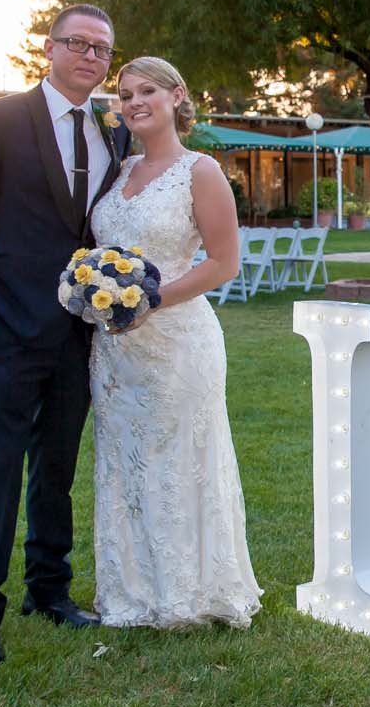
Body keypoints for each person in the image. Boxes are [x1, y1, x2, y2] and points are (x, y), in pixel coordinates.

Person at [0, 4, 127, 667]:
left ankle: (50, 590)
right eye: (77, 43)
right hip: (11, 326)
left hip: (82, 334)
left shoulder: (115, 130)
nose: (90, 56)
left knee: (57, 470)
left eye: (101, 49)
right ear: (49, 48)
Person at [85, 56, 261, 628]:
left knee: (181, 460)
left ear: (176, 95)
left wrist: (152, 300)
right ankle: (133, 591)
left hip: (179, 341)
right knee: (124, 463)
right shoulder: (119, 170)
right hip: (115, 350)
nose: (134, 102)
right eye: (125, 94)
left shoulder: (200, 171)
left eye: (147, 92)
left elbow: (224, 262)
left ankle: (192, 593)